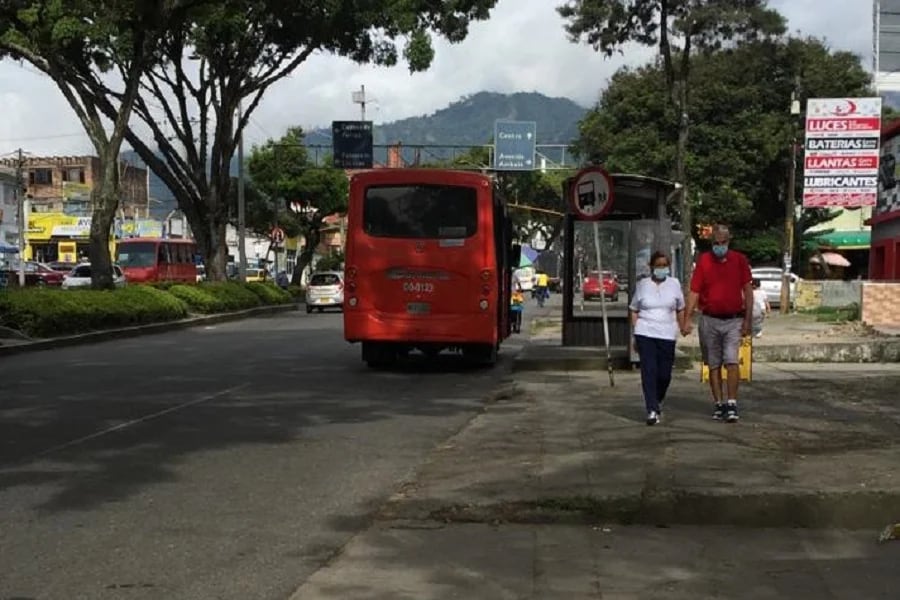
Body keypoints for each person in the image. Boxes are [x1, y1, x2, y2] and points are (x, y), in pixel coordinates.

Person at [683, 224, 753, 423]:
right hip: (709, 320)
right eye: (716, 243)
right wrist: (686, 318)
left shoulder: (739, 260)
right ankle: (718, 403)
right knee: (713, 364)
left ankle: (732, 402)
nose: (719, 246)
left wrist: (747, 320)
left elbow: (747, 291)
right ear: (711, 243)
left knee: (731, 361)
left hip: (733, 320)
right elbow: (694, 291)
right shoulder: (704, 261)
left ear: (729, 241)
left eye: (723, 242)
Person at [629, 251, 686, 425]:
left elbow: (680, 308)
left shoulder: (674, 284)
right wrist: (636, 331)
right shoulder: (643, 284)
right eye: (658, 265)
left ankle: (658, 398)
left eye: (664, 265)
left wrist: (683, 325)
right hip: (646, 331)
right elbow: (634, 309)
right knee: (649, 371)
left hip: (667, 333)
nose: (661, 269)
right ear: (651, 267)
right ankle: (651, 409)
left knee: (664, 374)